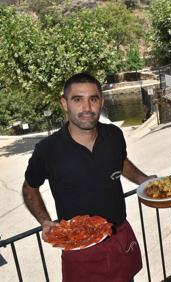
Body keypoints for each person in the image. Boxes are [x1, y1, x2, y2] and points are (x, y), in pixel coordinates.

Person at [22, 72, 156, 282]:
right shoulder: (47, 150)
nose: (87, 107)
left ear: (101, 101)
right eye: (78, 99)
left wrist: (143, 180)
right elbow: (29, 189)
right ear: (64, 103)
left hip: (120, 235)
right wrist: (45, 221)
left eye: (93, 99)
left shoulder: (114, 134)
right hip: (79, 249)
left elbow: (120, 162)